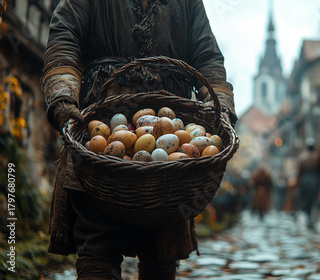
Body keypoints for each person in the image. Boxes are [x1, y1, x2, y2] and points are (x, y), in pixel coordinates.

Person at [41, 1, 236, 279]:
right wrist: (62, 96)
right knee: (98, 246)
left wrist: (221, 108)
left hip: (170, 147)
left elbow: (207, 57)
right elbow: (64, 37)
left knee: (162, 249)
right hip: (100, 128)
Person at [296, 138, 320, 230]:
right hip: (315, 179)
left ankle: (309, 217)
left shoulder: (303, 157)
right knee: (314, 199)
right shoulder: (317, 156)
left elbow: (299, 172)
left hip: (306, 179)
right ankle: (312, 217)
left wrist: (298, 183)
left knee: (307, 199)